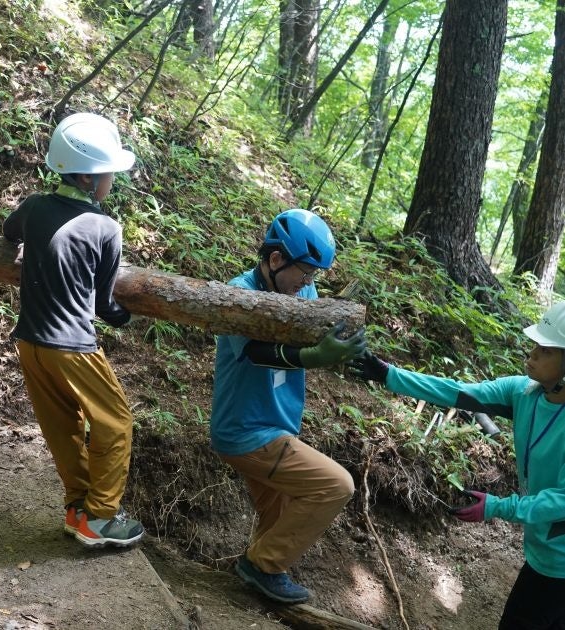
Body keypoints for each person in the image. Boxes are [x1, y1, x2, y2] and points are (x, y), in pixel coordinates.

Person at [350, 302, 565, 629]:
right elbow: (459, 392)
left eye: (545, 349)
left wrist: (498, 507)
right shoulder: (525, 392)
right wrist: (388, 375)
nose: (532, 354)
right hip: (546, 550)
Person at [2, 113, 144, 549]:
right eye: (108, 175)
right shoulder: (106, 228)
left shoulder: (33, 206)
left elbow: (9, 233)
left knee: (63, 426)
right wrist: (125, 315)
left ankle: (76, 508)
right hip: (72, 345)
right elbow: (103, 304)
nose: (112, 182)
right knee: (116, 423)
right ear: (86, 177)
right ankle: (100, 518)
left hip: (29, 342)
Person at [210, 208, 366, 604]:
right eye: (304, 273)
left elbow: (311, 329)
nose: (308, 284)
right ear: (276, 260)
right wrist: (316, 356)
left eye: (314, 277)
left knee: (276, 522)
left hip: (277, 428)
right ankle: (260, 566)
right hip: (248, 432)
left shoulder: (303, 293)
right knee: (336, 485)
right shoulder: (238, 295)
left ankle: (254, 591)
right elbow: (258, 353)